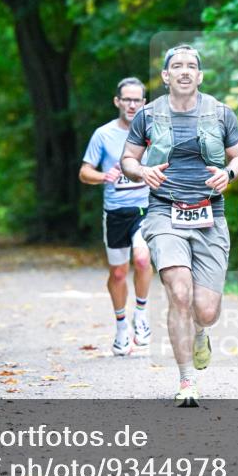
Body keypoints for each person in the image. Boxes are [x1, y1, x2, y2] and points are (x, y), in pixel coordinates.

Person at [120, 45, 238, 406]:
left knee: (206, 310)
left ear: (200, 75)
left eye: (191, 66)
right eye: (177, 66)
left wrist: (228, 173)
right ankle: (186, 379)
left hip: (210, 214)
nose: (185, 71)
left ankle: (200, 331)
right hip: (164, 212)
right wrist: (142, 170)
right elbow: (128, 159)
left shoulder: (221, 114)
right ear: (165, 76)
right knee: (179, 292)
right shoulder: (148, 115)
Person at [79, 78, 153, 356]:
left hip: (145, 208)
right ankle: (122, 327)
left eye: (137, 100)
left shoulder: (153, 132)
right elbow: (84, 172)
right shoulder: (103, 134)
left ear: (144, 103)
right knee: (119, 273)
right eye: (127, 100)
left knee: (143, 258)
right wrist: (103, 176)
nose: (132, 105)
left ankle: (141, 314)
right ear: (117, 102)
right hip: (115, 212)